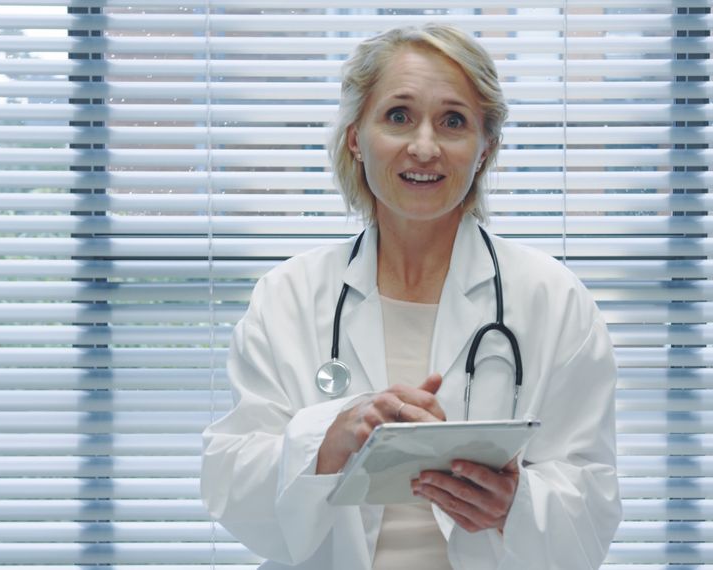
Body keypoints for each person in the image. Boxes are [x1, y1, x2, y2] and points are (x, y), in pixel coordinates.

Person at [201, 23, 620, 570]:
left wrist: (513, 506)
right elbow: (230, 480)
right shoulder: (289, 297)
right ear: (356, 136)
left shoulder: (553, 300)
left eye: (453, 121)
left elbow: (593, 503)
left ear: (485, 147)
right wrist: (329, 439)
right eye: (398, 116)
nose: (424, 147)